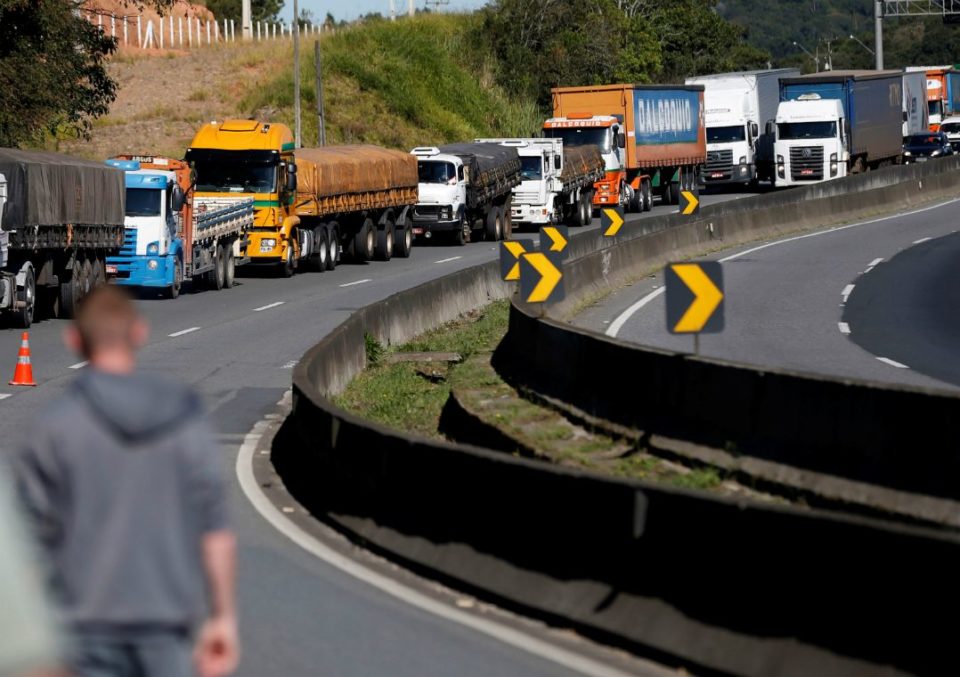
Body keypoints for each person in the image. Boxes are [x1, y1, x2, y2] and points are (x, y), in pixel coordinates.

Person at [12, 286, 238, 677]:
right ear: (139, 333)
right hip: (165, 626)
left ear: (74, 340)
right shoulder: (184, 419)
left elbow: (27, 544)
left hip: (82, 628)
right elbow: (214, 528)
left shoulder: (55, 427)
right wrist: (222, 617)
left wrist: (30, 645)